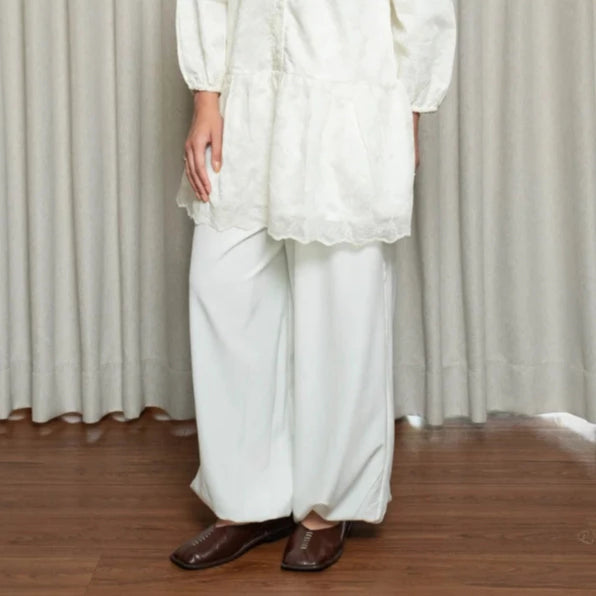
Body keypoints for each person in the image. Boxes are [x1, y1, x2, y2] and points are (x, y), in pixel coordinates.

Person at [170, 0, 456, 572]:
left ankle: (328, 506)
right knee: (224, 290)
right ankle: (248, 501)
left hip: (349, 100)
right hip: (248, 97)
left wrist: (409, 115)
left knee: (341, 306)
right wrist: (206, 96)